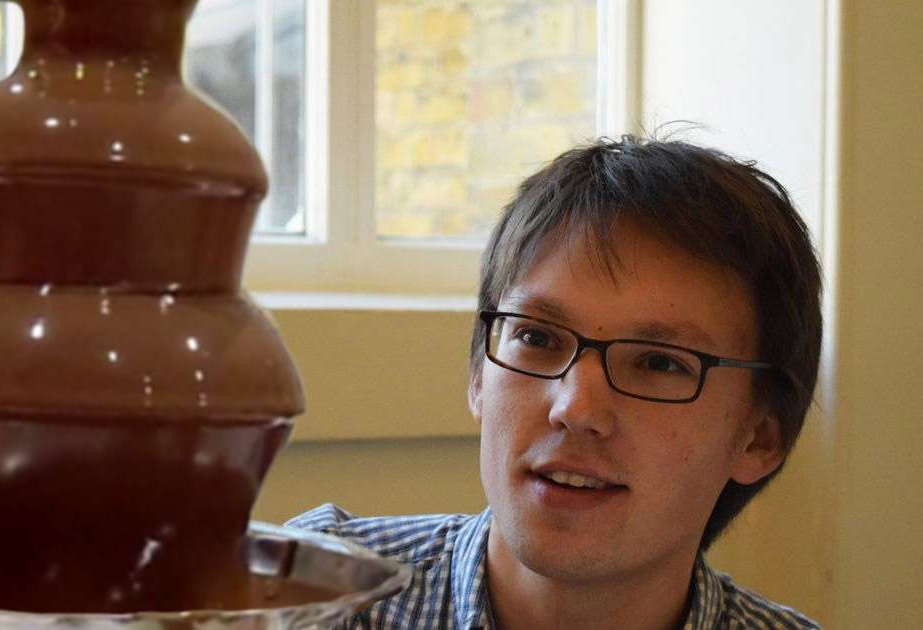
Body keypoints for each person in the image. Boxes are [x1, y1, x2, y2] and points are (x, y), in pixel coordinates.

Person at [287, 136, 823, 629]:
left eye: (660, 363)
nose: (575, 407)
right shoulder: (307, 593)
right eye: (538, 338)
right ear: (478, 376)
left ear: (759, 437)